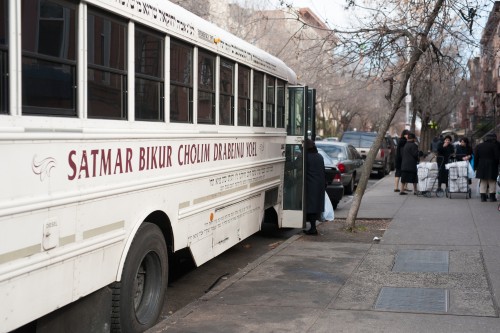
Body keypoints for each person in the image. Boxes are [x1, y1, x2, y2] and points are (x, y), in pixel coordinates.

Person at [303, 139, 325, 235]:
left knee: (311, 207)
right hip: (319, 185)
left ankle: (313, 228)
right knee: (315, 206)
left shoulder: (306, 157)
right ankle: (313, 227)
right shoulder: (319, 156)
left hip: (310, 185)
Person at [474, 133, 500, 202]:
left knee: (483, 181)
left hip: (481, 164)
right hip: (492, 164)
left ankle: (483, 197)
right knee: (492, 181)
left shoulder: (479, 146)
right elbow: (497, 157)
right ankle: (492, 197)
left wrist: (475, 167)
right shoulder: (494, 146)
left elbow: (476, 157)